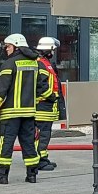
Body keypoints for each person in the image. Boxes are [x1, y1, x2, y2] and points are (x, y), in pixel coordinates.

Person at [0, 33, 52, 185]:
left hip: (10, 113)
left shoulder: (9, 64)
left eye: (8, 46)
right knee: (29, 144)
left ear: (16, 46)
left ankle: (2, 176)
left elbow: (2, 88)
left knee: (6, 144)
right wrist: (36, 102)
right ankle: (32, 175)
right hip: (29, 113)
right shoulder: (36, 63)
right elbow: (44, 89)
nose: (6, 49)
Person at [33, 36, 66, 172]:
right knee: (41, 134)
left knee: (44, 134)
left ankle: (43, 158)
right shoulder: (41, 63)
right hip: (43, 106)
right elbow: (41, 86)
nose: (54, 53)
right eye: (53, 50)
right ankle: (39, 161)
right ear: (49, 50)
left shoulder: (45, 63)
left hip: (47, 106)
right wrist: (52, 97)